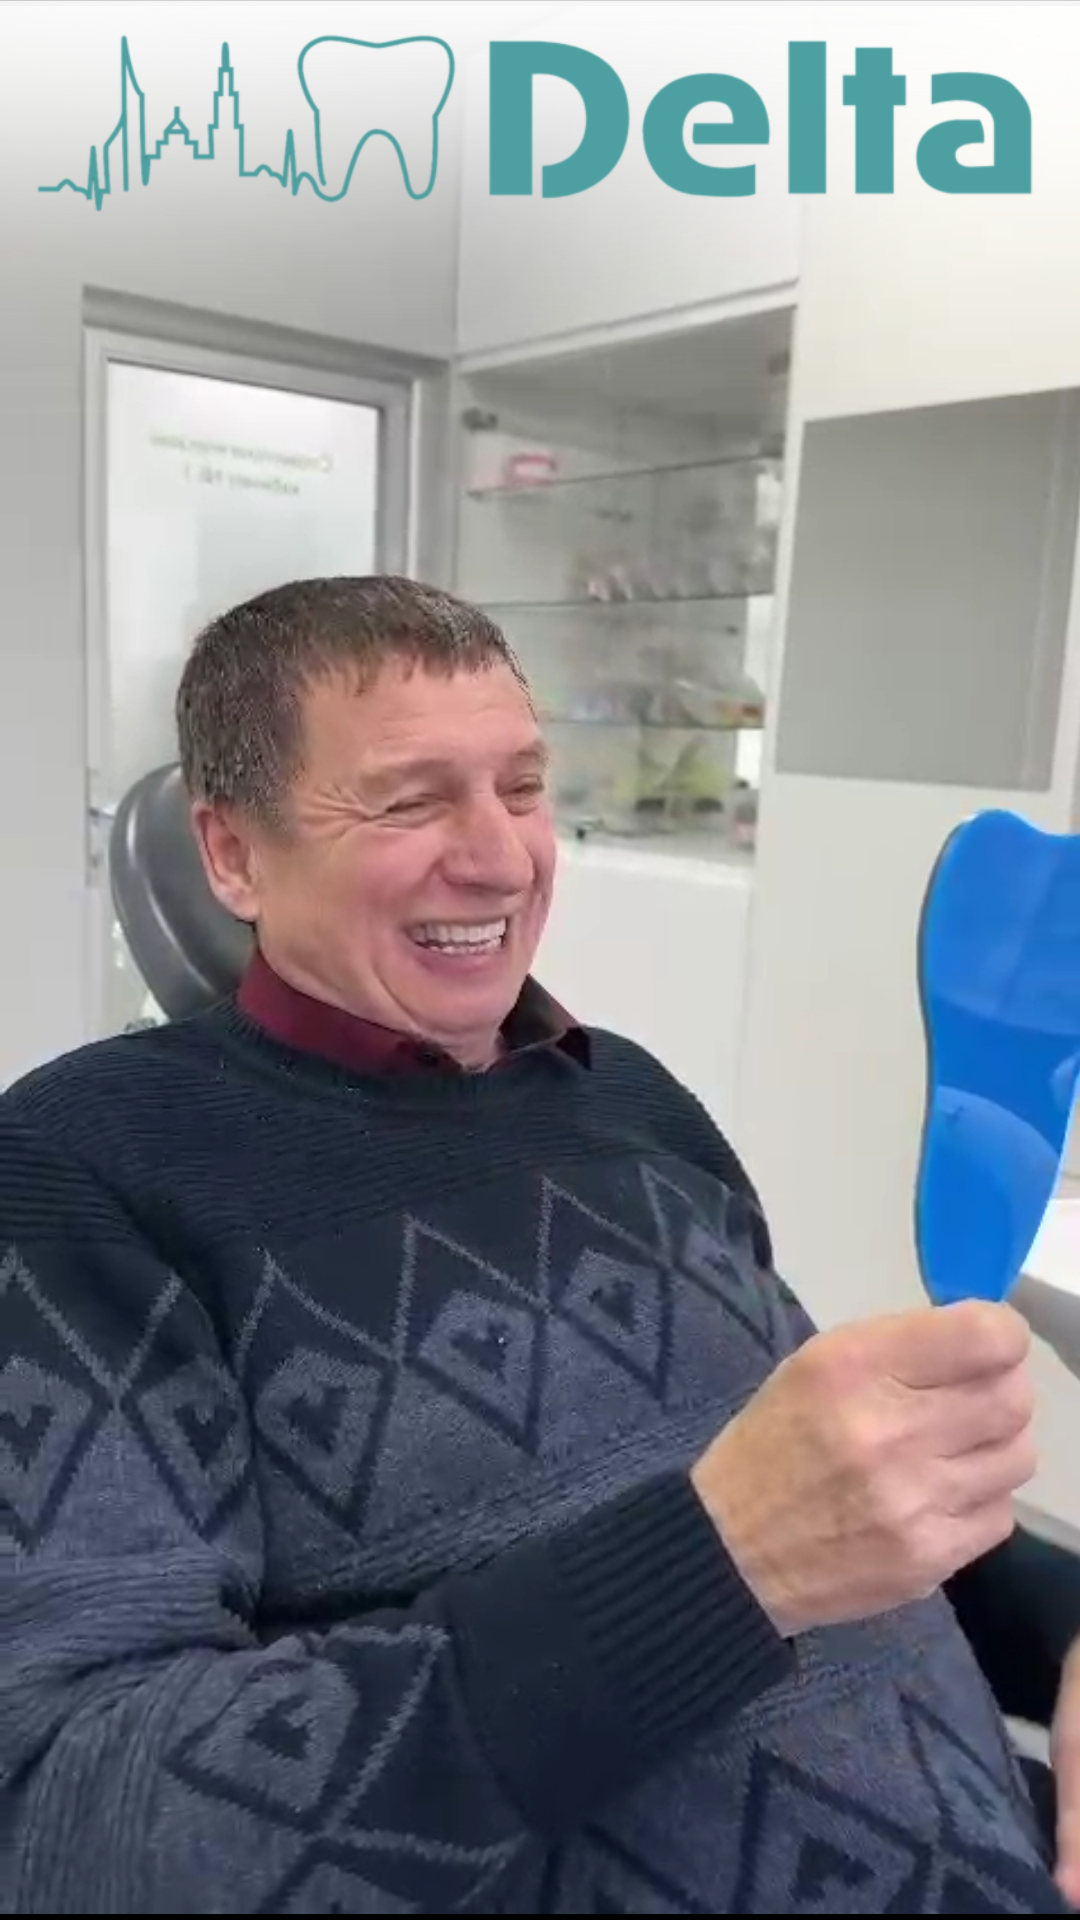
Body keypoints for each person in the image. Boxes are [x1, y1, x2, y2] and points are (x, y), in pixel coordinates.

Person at [2, 574, 1080, 1916]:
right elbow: (78, 1825)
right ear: (232, 856)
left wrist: (1065, 1626)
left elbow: (842, 1507)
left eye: (520, 788)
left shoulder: (633, 1103)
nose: (503, 859)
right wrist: (715, 1571)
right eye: (409, 801)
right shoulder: (78, 1173)